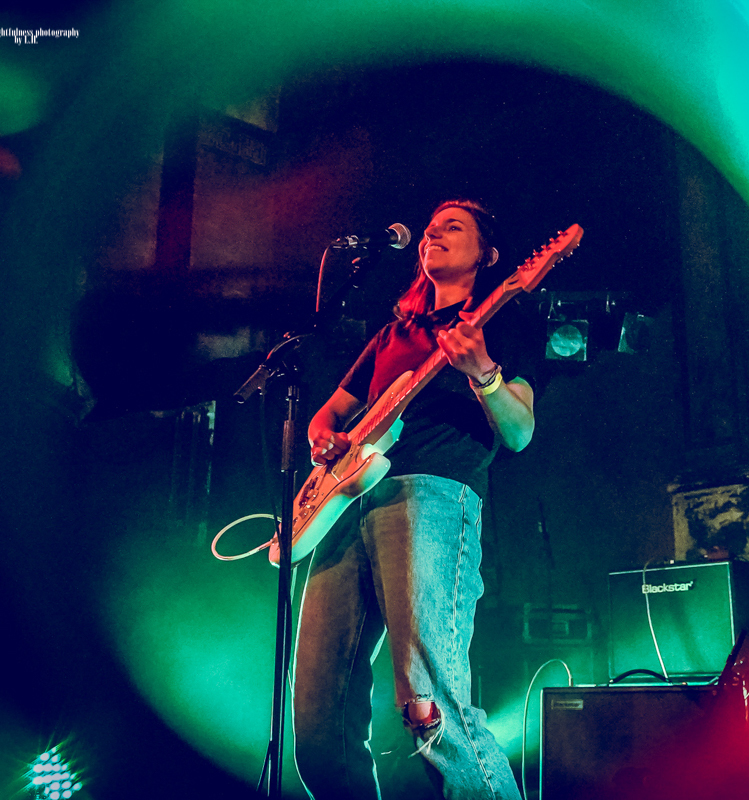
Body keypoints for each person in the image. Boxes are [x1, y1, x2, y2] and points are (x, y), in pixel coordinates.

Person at [293, 199, 533, 800]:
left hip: (431, 496)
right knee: (318, 718)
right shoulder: (391, 334)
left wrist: (483, 372)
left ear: (488, 256)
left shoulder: (503, 317)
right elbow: (330, 413)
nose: (432, 234)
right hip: (344, 505)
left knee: (429, 703)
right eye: (430, 228)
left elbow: (520, 432)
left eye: (453, 227)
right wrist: (324, 439)